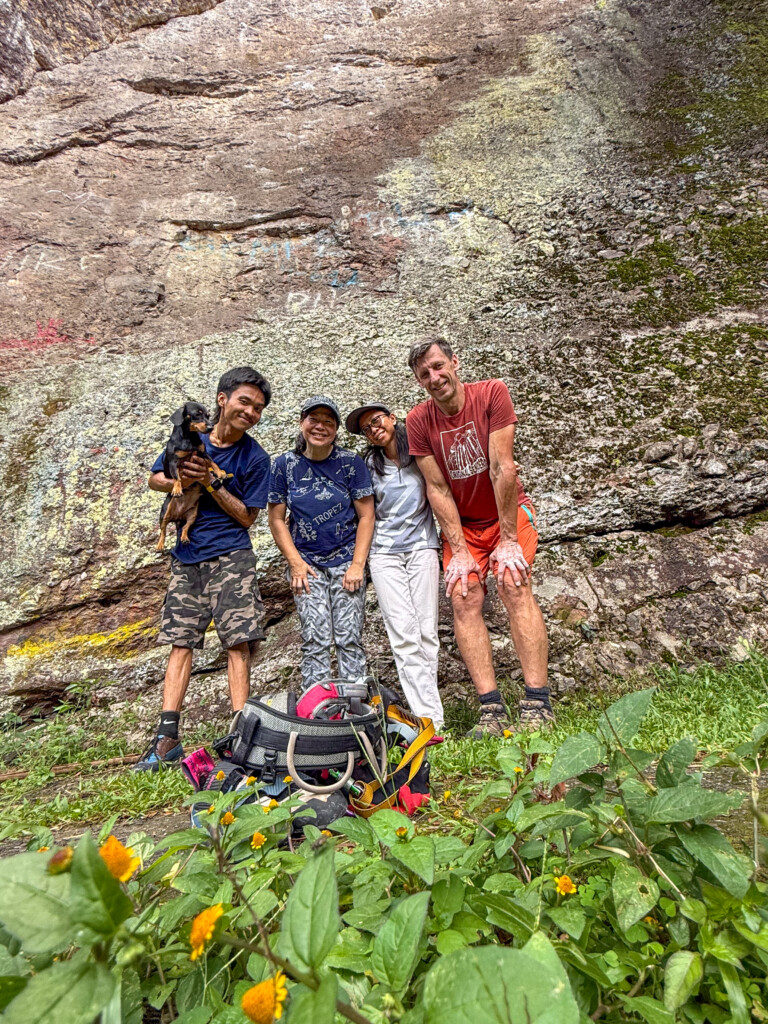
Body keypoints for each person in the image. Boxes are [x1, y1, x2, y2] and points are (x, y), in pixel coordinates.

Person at [405, 337, 551, 737]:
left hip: (507, 514)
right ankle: (491, 708)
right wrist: (460, 550)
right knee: (463, 595)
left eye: (438, 366)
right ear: (419, 381)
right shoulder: (418, 420)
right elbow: (437, 488)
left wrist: (508, 539)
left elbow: (503, 468)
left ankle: (537, 702)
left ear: (455, 362)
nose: (435, 377)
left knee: (513, 582)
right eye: (425, 374)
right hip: (464, 525)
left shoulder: (491, 394)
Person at [134, 366, 272, 771]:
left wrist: (211, 482)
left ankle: (240, 736)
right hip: (187, 556)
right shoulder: (188, 440)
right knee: (180, 642)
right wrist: (181, 481)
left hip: (232, 556)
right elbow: (155, 478)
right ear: (222, 399)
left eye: (258, 408)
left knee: (238, 643)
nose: (250, 412)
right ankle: (166, 738)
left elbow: (247, 517)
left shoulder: (255, 457)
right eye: (245, 402)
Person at [346, 402, 444, 729]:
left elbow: (443, 485)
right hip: (384, 554)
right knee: (404, 635)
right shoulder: (367, 465)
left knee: (427, 632)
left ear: (392, 418)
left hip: (422, 547)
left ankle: (429, 716)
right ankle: (431, 721)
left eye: (377, 421)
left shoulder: (420, 451)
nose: (374, 430)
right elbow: (363, 512)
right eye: (367, 429)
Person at [268, 396, 375, 689]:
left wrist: (357, 565)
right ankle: (318, 705)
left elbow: (367, 516)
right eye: (313, 419)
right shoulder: (285, 465)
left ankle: (355, 703)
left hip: (346, 561)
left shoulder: (350, 463)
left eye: (328, 422)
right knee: (315, 639)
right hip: (306, 565)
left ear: (336, 429)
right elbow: (276, 518)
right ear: (301, 423)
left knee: (349, 638)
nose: (320, 427)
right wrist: (295, 564)